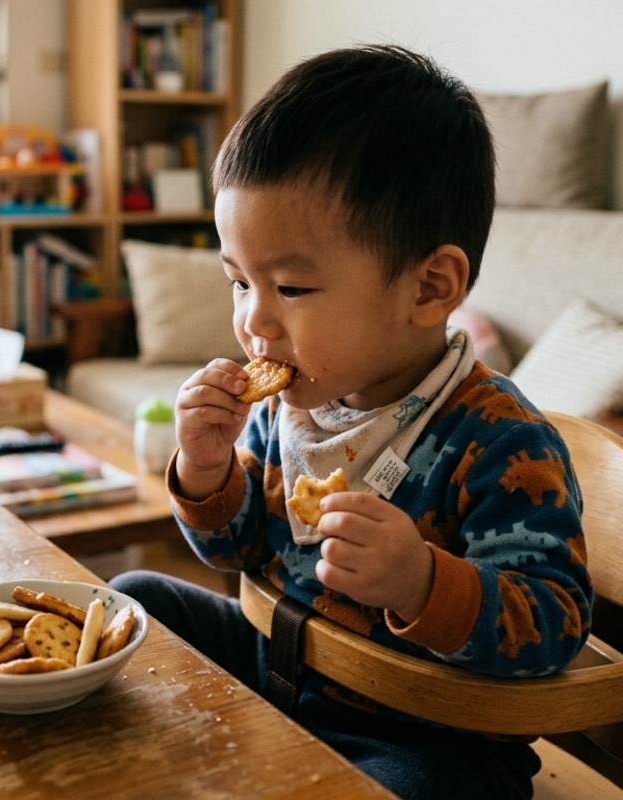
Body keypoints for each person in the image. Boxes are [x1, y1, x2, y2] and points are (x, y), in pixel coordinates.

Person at [111, 45, 592, 800]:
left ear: (430, 287)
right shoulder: (288, 405)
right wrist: (208, 471)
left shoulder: (502, 443)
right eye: (239, 281)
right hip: (279, 666)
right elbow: (240, 551)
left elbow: (555, 625)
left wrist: (422, 582)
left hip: (421, 732)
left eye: (292, 287)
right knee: (136, 598)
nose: (252, 322)